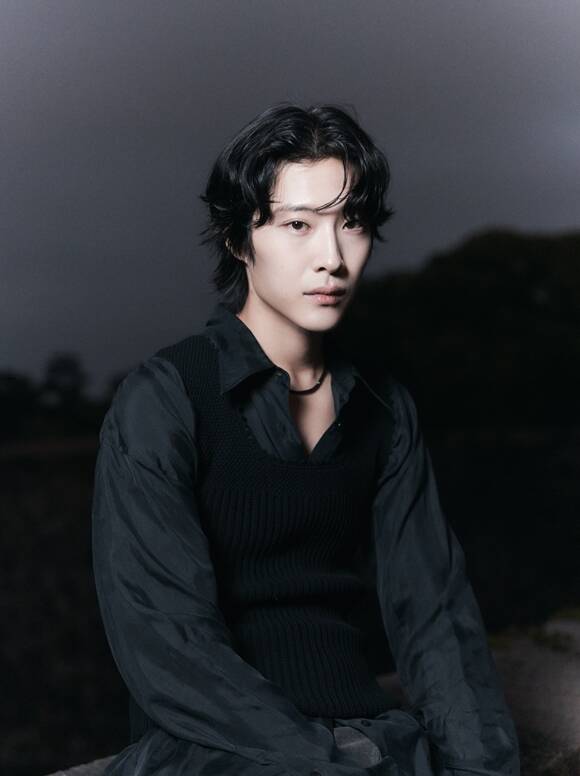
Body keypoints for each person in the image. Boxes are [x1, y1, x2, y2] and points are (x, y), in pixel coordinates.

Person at [91, 103, 520, 776]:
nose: (332, 258)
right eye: (298, 225)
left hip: (364, 732)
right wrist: (321, 763)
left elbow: (435, 615)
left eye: (352, 223)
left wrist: (480, 769)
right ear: (239, 240)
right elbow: (166, 642)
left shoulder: (385, 408)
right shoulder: (166, 398)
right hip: (216, 747)